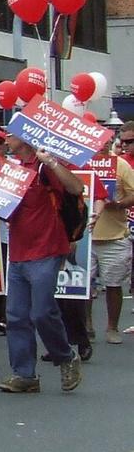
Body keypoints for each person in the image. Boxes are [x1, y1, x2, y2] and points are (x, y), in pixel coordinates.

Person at [0, 128, 83, 393]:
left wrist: (52, 162)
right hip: (19, 252)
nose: (5, 139)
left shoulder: (44, 167)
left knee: (42, 312)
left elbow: (76, 187)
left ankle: (65, 355)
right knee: (16, 316)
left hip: (46, 249)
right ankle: (24, 374)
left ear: (24, 138)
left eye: (9, 134)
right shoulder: (12, 170)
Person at [88, 140, 134, 344]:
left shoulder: (120, 165)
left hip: (114, 236)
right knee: (83, 287)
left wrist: (118, 204)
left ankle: (112, 327)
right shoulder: (80, 162)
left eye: (105, 142)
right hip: (85, 236)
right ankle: (86, 326)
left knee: (114, 285)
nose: (101, 145)